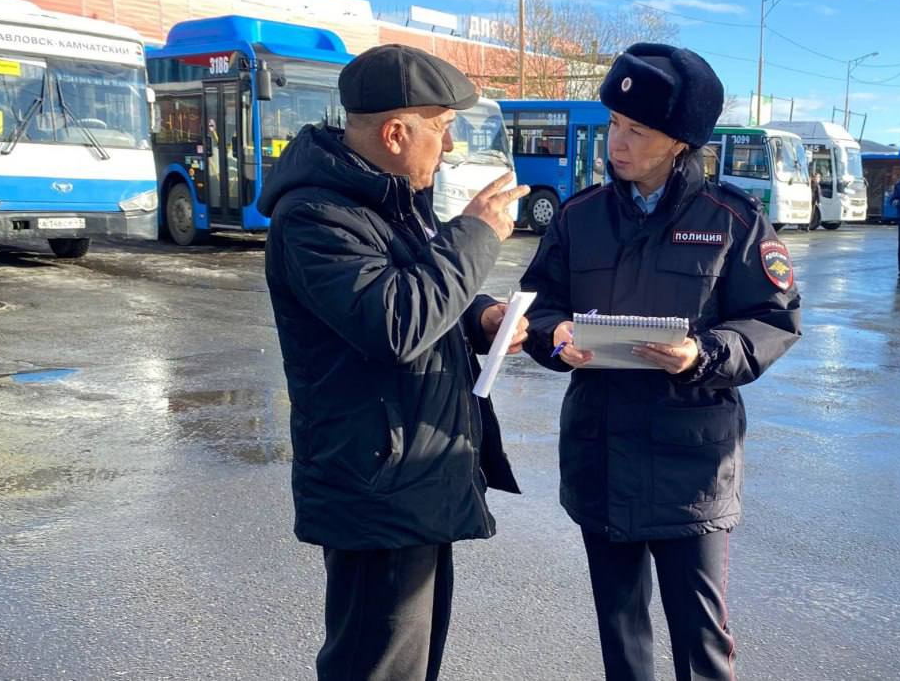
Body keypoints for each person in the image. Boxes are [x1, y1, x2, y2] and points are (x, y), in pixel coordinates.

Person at [519, 43, 802, 681]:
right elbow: (536, 307)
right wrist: (553, 336)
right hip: (601, 451)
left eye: (637, 131)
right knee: (621, 635)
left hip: (691, 463)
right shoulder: (578, 216)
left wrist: (703, 355)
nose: (617, 143)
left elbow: (774, 320)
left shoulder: (733, 219)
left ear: (678, 142)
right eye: (614, 125)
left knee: (701, 640)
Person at [258, 44, 531, 681]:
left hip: (414, 475)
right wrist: (477, 233)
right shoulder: (315, 216)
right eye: (441, 128)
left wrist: (482, 317)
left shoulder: (391, 199)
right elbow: (394, 323)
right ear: (394, 132)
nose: (451, 145)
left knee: (412, 666)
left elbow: (424, 291)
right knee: (374, 668)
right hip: (375, 483)